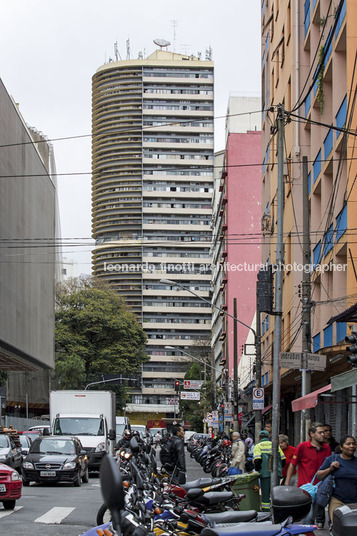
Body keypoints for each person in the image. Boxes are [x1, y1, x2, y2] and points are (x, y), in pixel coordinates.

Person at [285, 422, 331, 528]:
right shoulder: (302, 447)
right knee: (308, 518)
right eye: (320, 432)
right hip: (305, 488)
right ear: (312, 434)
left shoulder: (326, 448)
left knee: (317, 510)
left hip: (321, 488)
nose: (323, 435)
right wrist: (287, 483)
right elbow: (292, 465)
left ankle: (319, 520)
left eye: (323, 432)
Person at [316, 435, 357, 528]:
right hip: (337, 500)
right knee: (338, 527)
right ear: (341, 447)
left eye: (353, 444)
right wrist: (330, 469)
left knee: (353, 528)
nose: (351, 446)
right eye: (348, 444)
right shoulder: (332, 459)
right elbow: (319, 476)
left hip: (354, 502)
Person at [253, 430, 286, 511]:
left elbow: (257, 461)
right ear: (268, 437)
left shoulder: (258, 446)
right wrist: (278, 468)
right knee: (275, 494)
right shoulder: (275, 445)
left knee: (265, 494)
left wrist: (258, 470)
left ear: (260, 437)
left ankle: (266, 511)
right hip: (276, 473)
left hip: (265, 474)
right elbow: (283, 460)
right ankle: (276, 510)